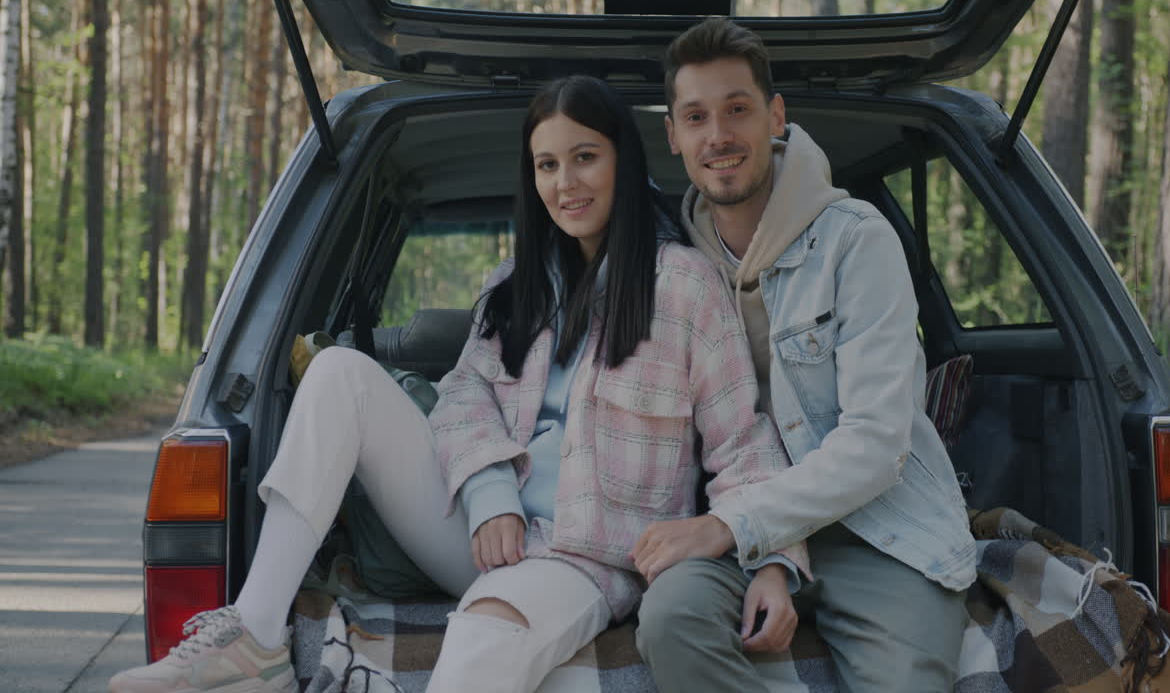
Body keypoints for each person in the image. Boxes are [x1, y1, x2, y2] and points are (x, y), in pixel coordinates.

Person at [109, 74, 806, 693]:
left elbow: (741, 442)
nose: (566, 182)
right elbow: (463, 402)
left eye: (585, 157)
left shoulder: (684, 287)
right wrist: (490, 496)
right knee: (339, 372)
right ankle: (256, 638)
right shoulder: (515, 286)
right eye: (547, 164)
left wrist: (774, 564)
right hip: (481, 532)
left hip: (588, 557)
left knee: (479, 645)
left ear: (623, 160)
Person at [629, 17, 978, 693]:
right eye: (696, 117)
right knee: (671, 620)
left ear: (776, 117)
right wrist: (758, 548)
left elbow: (876, 445)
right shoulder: (675, 266)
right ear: (673, 136)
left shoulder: (856, 240)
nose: (718, 135)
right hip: (738, 520)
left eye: (738, 109)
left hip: (876, 528)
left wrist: (733, 527)